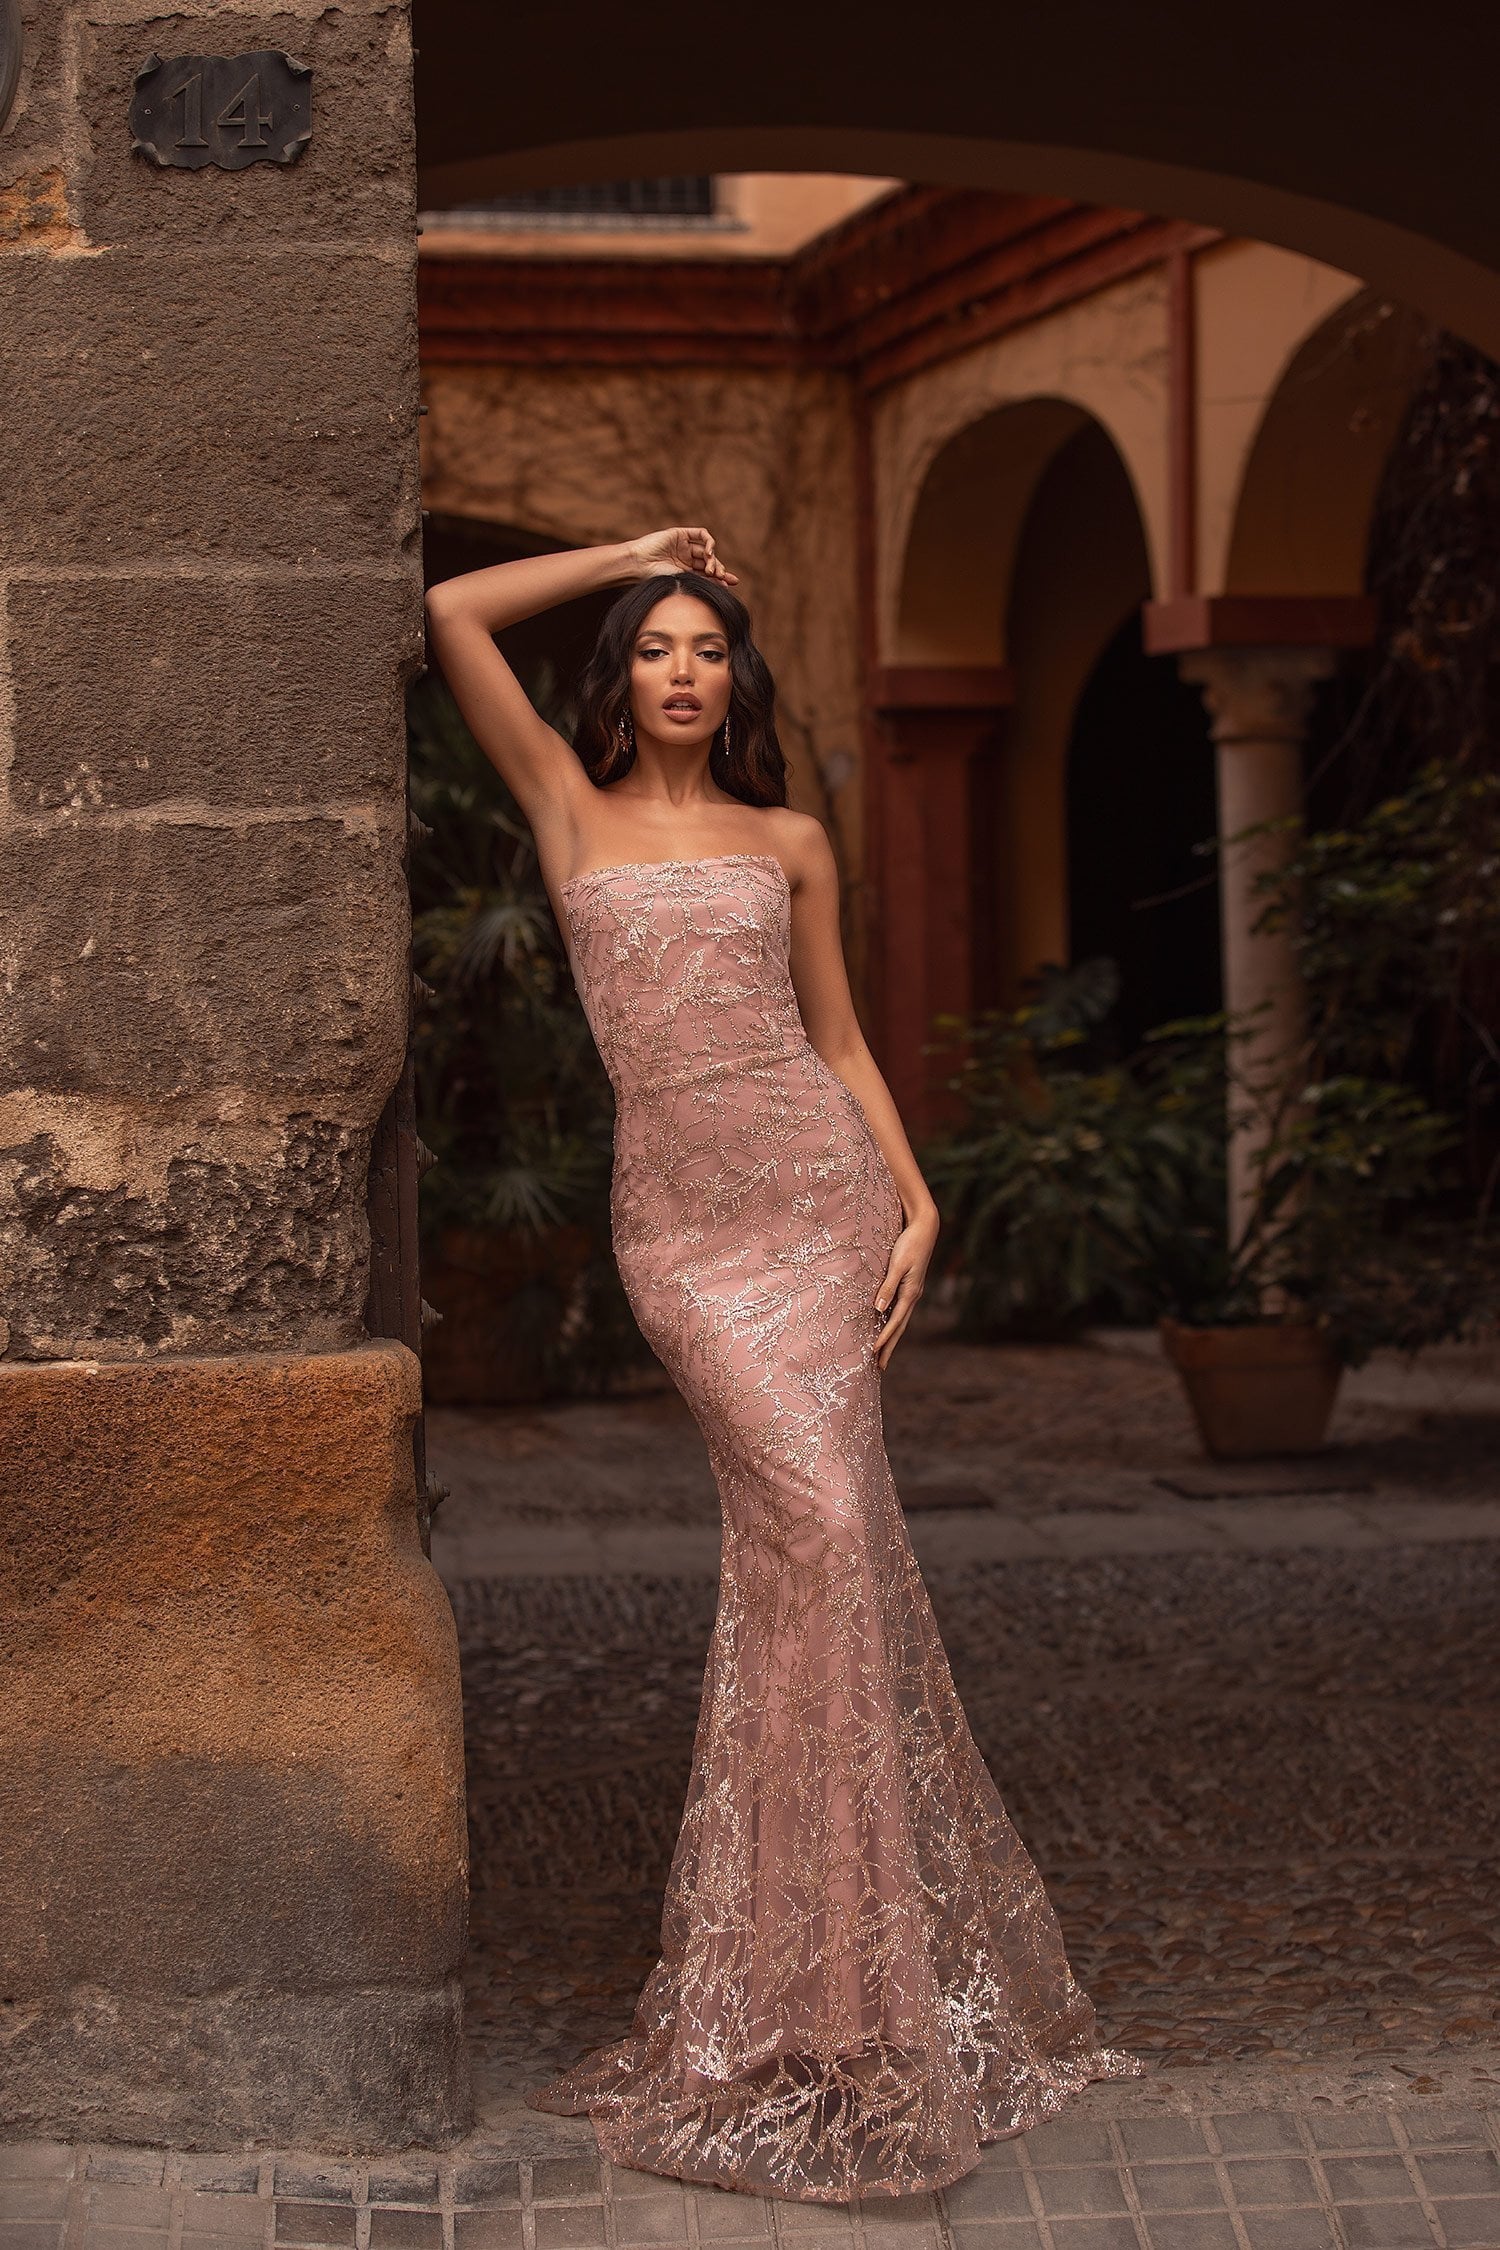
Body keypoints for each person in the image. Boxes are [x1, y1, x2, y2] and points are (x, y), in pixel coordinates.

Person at [424, 527, 1141, 2205]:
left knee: (819, 1562)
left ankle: (846, 1997)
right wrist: (632, 550)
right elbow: (453, 611)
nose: (685, 669)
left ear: (738, 679)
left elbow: (835, 1038)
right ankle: (798, 1989)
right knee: (821, 1533)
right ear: (622, 674)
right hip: (684, 1238)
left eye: (709, 648)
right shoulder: (566, 807)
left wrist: (915, 1193)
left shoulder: (794, 835)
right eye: (658, 644)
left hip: (818, 1208)